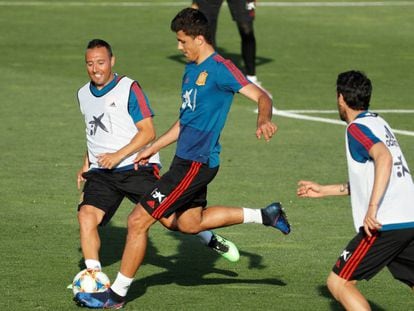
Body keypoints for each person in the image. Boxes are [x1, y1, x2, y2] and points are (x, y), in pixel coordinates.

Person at [74, 9, 290, 309]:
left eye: (182, 41)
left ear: (199, 39)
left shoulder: (221, 69)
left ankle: (117, 295)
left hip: (197, 163)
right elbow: (183, 123)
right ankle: (266, 215)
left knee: (137, 220)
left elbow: (262, 97)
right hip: (183, 160)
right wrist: (152, 147)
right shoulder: (190, 71)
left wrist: (262, 119)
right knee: (190, 224)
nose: (179, 47)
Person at [76, 38, 241, 275]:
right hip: (102, 172)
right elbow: (93, 131)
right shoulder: (83, 94)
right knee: (86, 216)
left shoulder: (129, 88)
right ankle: (94, 276)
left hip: (135, 168)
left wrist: (117, 156)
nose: (95, 69)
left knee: (172, 221)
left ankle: (208, 236)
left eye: (101, 62)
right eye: (90, 63)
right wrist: (86, 163)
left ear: (112, 61)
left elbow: (148, 132)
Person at [297, 70, 414, 310]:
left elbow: (384, 159)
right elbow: (375, 179)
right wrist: (325, 190)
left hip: (385, 224)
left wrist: (371, 210)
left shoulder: (356, 129)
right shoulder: (379, 122)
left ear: (341, 98)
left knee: (339, 283)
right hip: (409, 219)